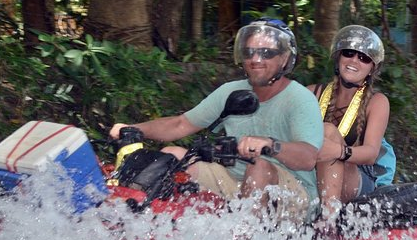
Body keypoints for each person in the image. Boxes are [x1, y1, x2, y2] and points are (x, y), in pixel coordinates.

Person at [109, 18, 324, 220]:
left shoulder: (300, 98)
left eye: (266, 53)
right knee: (171, 154)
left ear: (284, 58)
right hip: (234, 181)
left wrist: (269, 144)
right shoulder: (231, 91)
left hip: (292, 196)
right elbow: (180, 124)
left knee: (259, 166)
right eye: (249, 52)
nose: (256, 59)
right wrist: (132, 128)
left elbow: (308, 158)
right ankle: (137, 220)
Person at [306, 25, 390, 219]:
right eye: (349, 53)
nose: (354, 60)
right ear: (339, 57)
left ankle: (328, 222)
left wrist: (337, 152)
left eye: (364, 58)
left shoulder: (377, 102)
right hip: (310, 172)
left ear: (372, 68)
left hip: (355, 179)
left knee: (327, 130)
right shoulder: (312, 92)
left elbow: (370, 153)